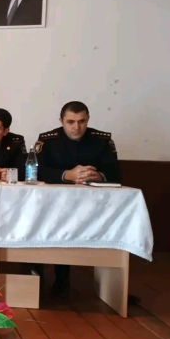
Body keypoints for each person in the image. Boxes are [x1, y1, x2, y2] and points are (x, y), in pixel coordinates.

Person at [33, 100, 121, 295]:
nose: (76, 127)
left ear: (88, 120)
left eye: (82, 121)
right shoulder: (48, 141)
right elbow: (36, 171)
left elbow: (115, 171)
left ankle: (112, 287)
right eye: (70, 122)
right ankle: (53, 278)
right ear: (61, 121)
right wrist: (67, 175)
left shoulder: (102, 140)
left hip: (94, 206)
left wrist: (99, 176)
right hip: (55, 205)